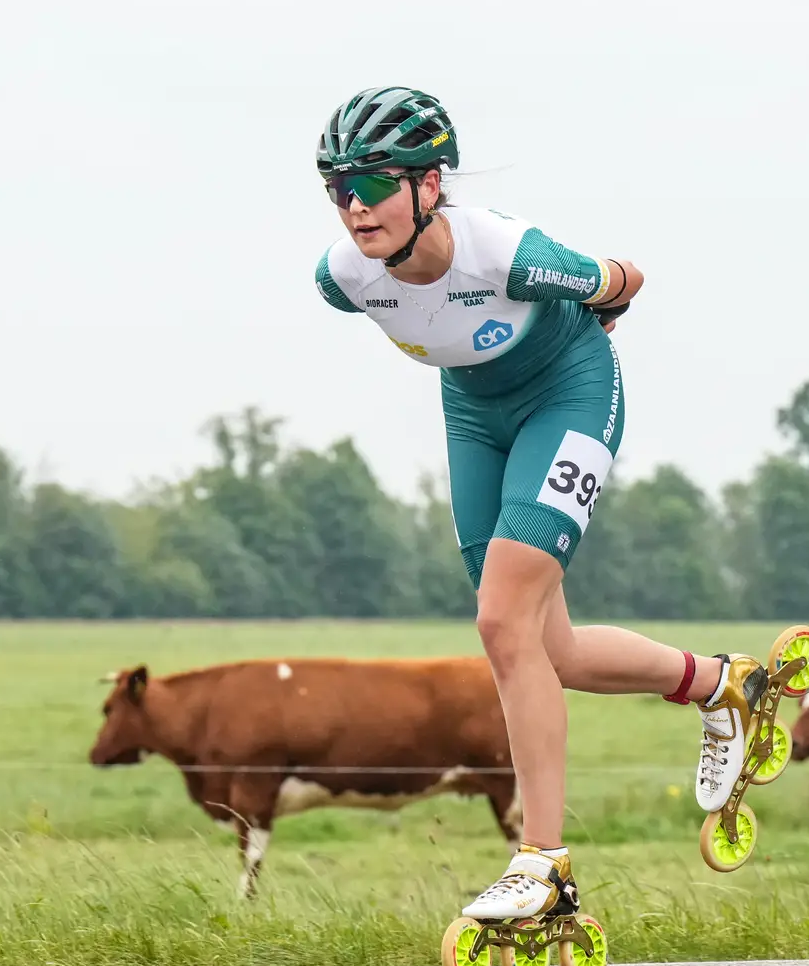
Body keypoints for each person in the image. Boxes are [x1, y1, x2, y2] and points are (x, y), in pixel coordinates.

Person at [311, 86, 772, 923]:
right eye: (334, 184)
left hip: (568, 392)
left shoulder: (508, 253)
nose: (353, 205)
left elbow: (623, 277)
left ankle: (544, 862)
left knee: (498, 625)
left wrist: (610, 298)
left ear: (429, 182)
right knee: (544, 650)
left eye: (373, 182)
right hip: (474, 418)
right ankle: (720, 684)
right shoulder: (343, 280)